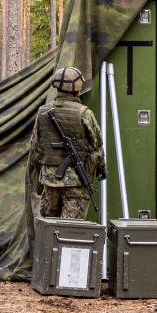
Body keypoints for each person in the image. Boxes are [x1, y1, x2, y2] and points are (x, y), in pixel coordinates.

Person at [29, 66, 106, 220]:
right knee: (71, 231)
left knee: (50, 229)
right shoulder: (84, 113)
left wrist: (38, 176)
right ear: (78, 88)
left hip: (50, 182)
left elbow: (34, 147)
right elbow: (97, 146)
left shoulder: (42, 112)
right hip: (76, 181)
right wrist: (101, 167)